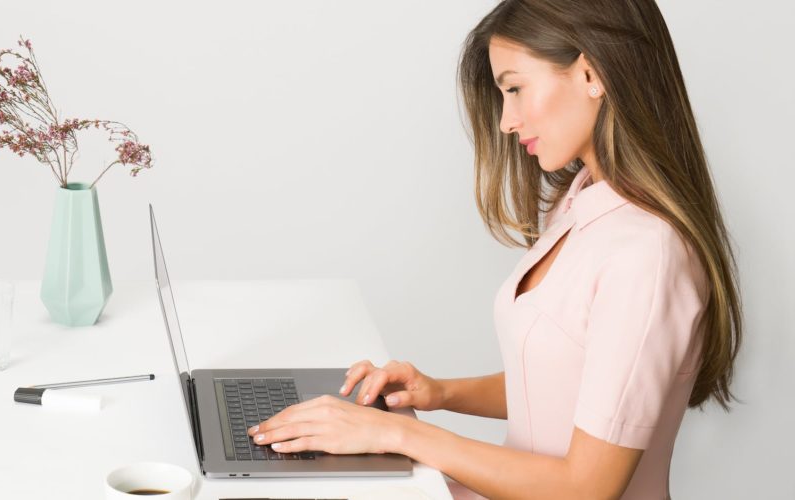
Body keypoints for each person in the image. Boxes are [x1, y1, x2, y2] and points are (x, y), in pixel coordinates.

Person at [247, 0, 743, 498]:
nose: (506, 120)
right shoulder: (580, 205)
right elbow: (563, 380)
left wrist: (396, 432)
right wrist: (439, 393)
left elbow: (587, 488)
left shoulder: (646, 255)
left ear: (592, 73)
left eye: (515, 88)